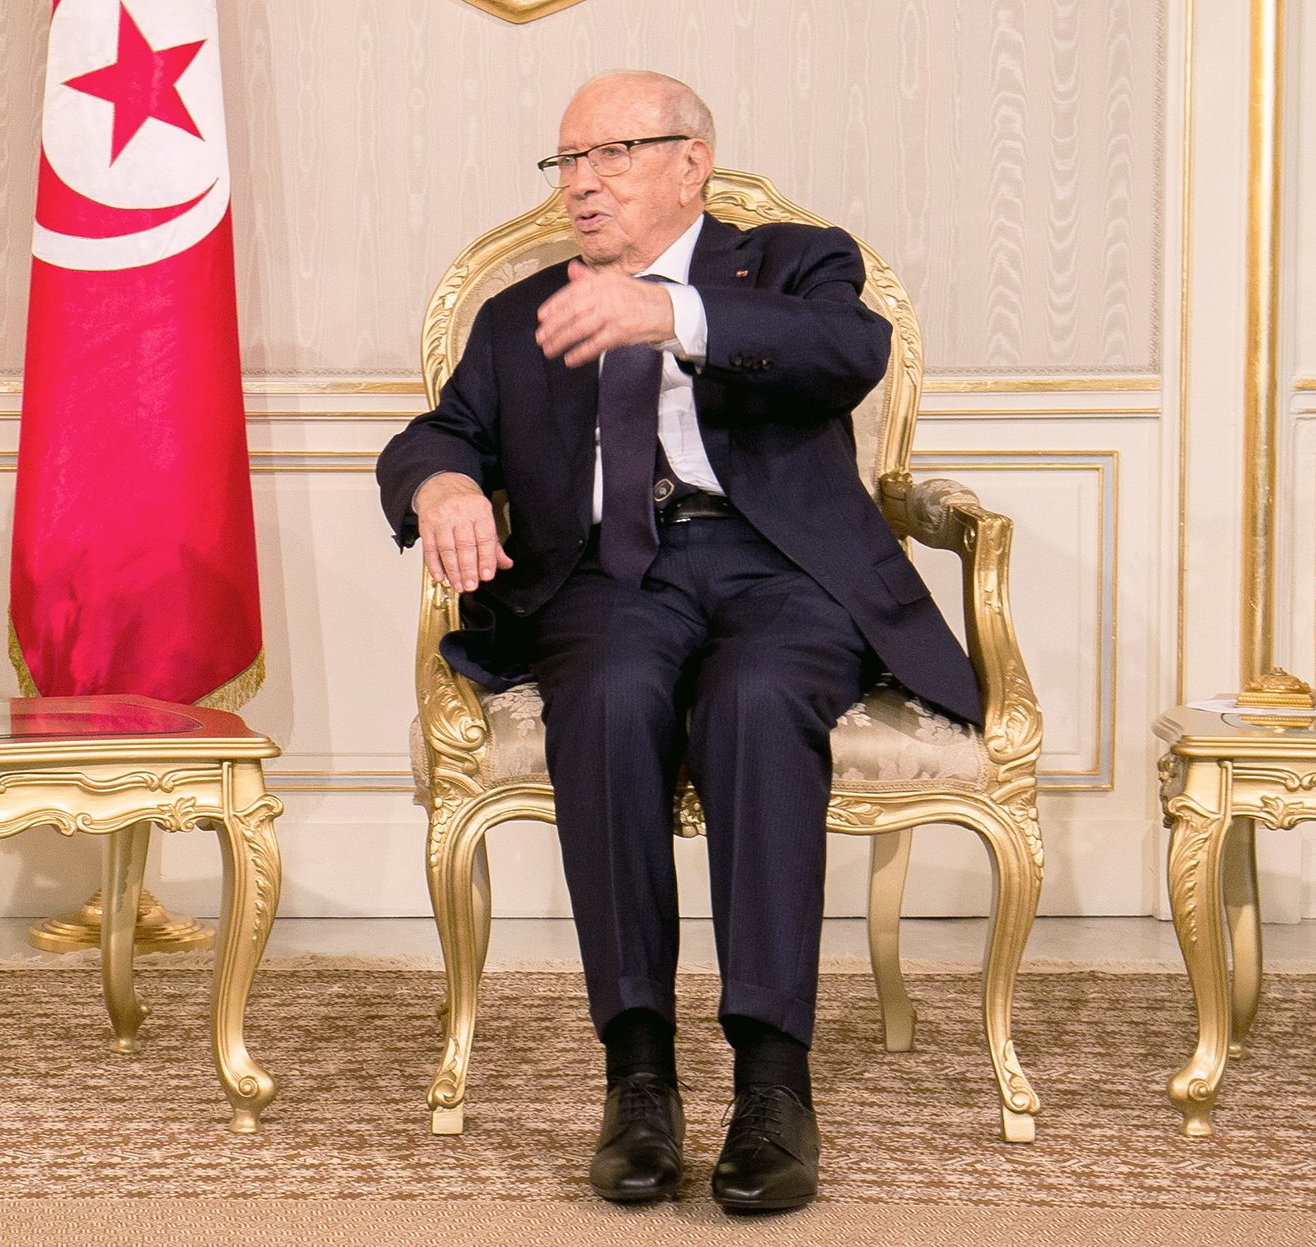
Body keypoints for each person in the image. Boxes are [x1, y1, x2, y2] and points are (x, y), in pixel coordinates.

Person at [378, 71, 981, 1213]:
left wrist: (670, 313)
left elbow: (842, 351)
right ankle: (638, 1076)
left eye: (609, 155)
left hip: (780, 571)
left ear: (691, 159)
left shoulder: (797, 262)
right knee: (603, 694)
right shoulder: (523, 315)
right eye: (565, 161)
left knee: (755, 700)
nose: (580, 184)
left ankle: (769, 1081)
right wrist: (446, 481)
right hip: (613, 576)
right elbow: (429, 434)